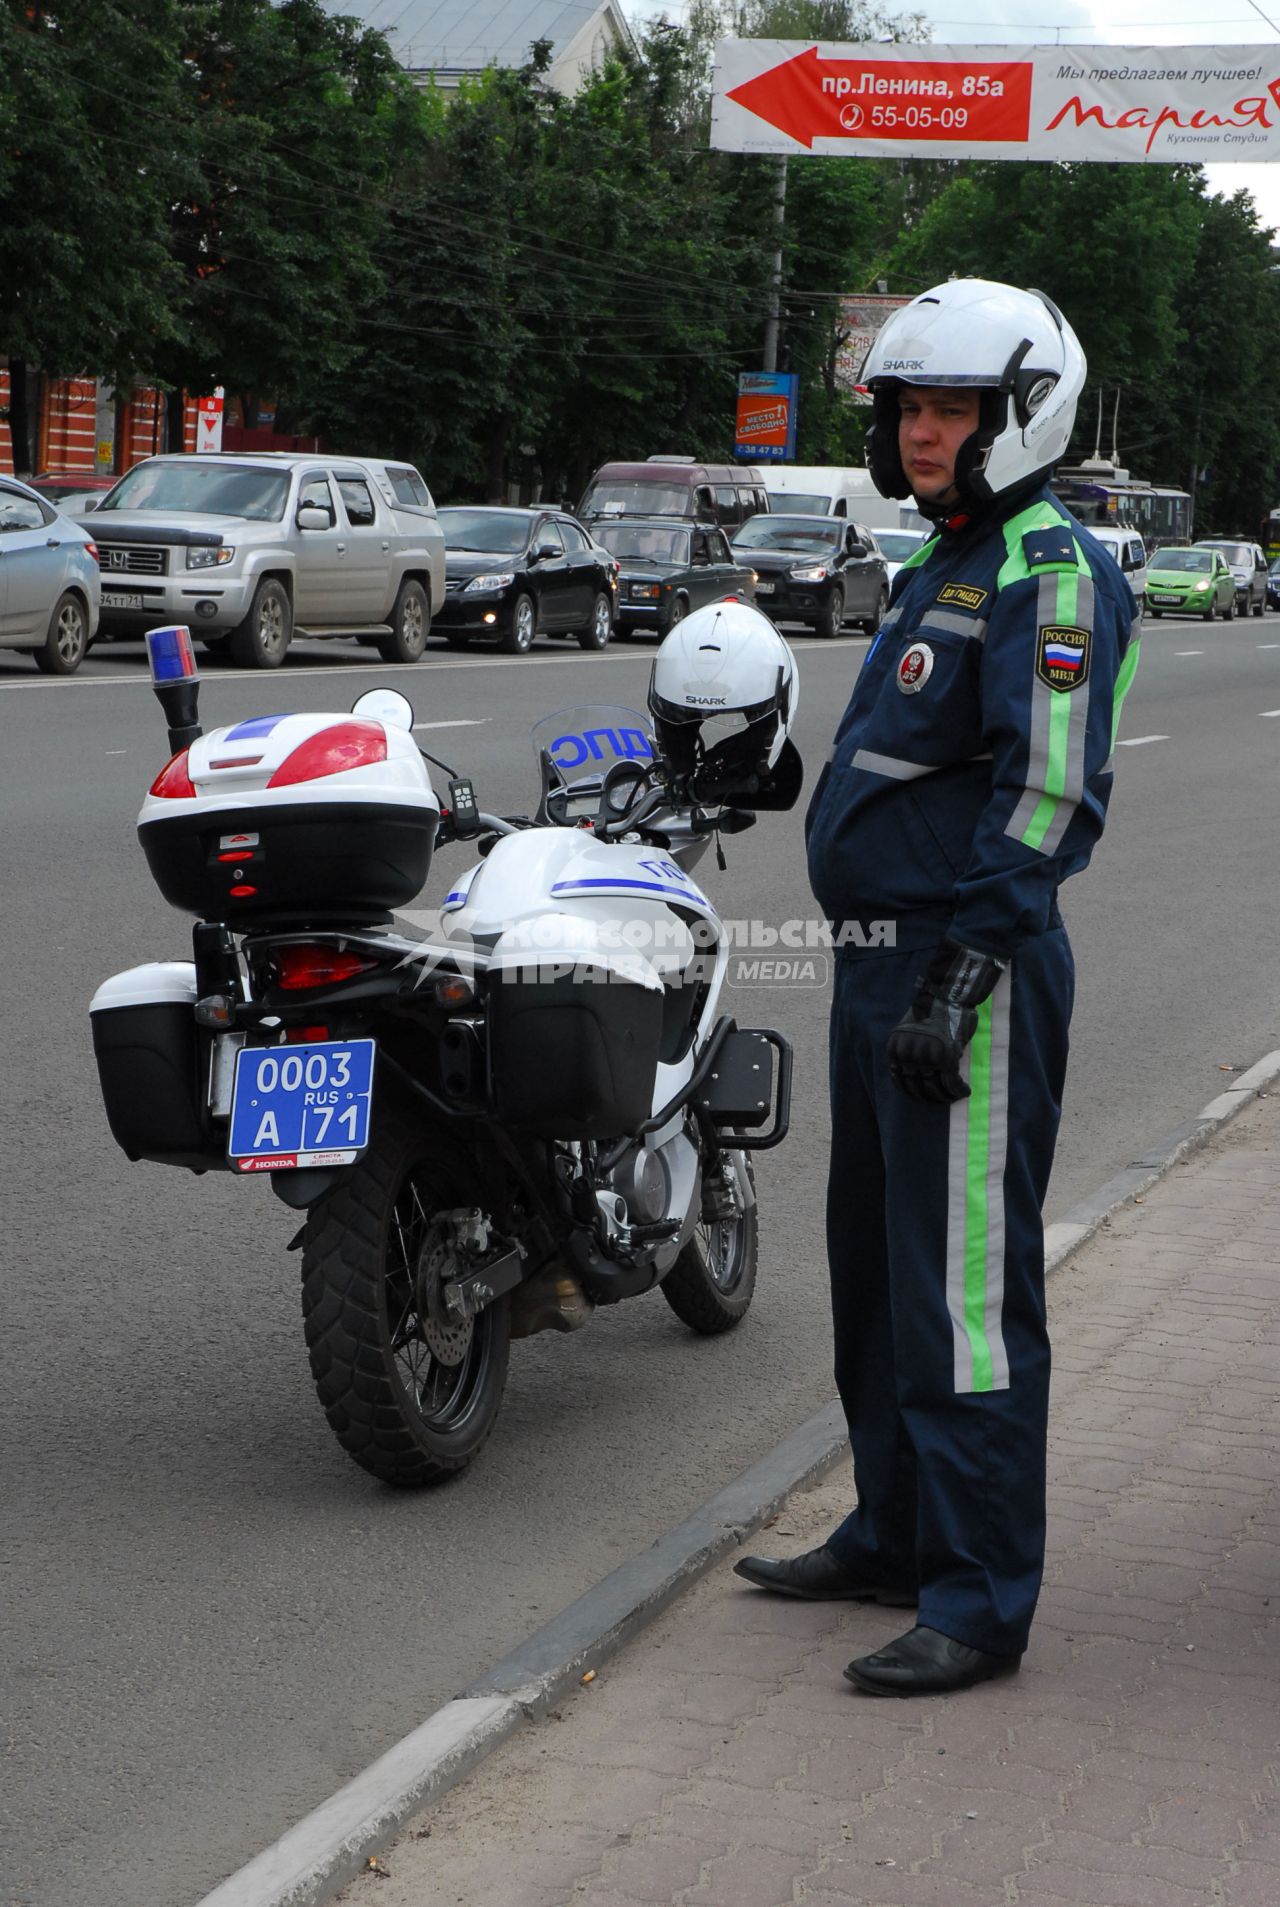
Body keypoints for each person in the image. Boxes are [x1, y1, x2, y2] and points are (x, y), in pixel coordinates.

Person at [735, 279, 1141, 1696]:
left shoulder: (1049, 567)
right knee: (877, 1271)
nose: (921, 432)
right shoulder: (951, 554)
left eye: (952, 408)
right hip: (880, 968)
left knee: (964, 1292)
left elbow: (1046, 791)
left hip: (968, 970)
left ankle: (976, 1600)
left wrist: (964, 970)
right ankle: (895, 1534)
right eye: (908, 407)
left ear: (1021, 415)